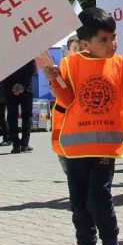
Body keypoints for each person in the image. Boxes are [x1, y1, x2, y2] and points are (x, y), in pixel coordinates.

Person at [46, 7, 123, 245]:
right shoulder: (70, 63)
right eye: (104, 39)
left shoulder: (122, 63)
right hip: (75, 148)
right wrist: (54, 80)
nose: (112, 43)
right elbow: (67, 99)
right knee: (79, 203)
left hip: (105, 147)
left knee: (99, 199)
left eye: (113, 37)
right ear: (85, 43)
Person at [53, 36, 80, 173]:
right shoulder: (64, 67)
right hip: (64, 120)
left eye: (81, 49)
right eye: (75, 49)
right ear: (68, 51)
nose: (78, 52)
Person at [3, 59, 36, 153]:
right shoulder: (26, 50)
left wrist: (19, 86)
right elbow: (32, 68)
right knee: (21, 116)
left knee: (17, 116)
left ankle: (18, 145)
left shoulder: (5, 52)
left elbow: (31, 68)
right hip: (18, 89)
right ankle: (21, 144)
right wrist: (21, 86)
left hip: (19, 89)